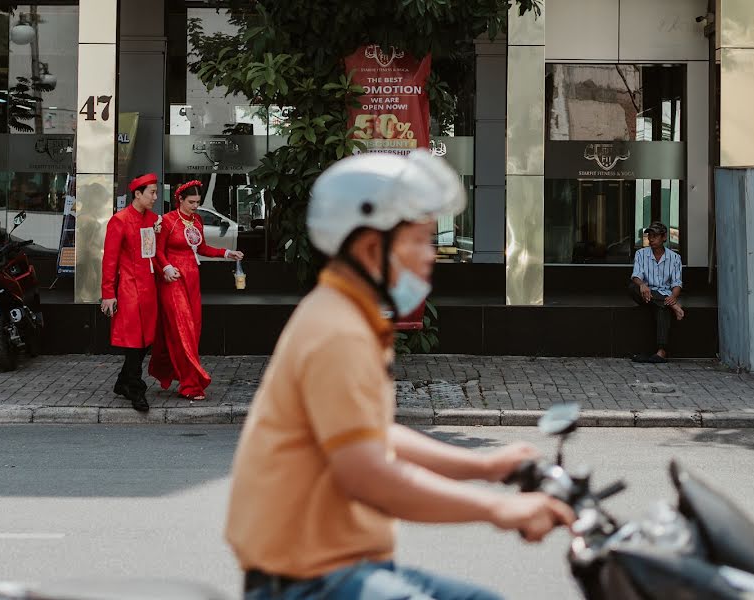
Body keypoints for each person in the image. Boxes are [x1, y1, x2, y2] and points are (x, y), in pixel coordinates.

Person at [225, 151, 575, 600]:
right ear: (373, 247)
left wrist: (486, 465)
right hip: (310, 581)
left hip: (342, 567)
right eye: (421, 239)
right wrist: (499, 510)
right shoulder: (338, 332)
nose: (432, 255)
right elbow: (368, 473)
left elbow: (373, 435)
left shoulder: (350, 315)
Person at [148, 180, 243, 401]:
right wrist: (167, 268)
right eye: (191, 202)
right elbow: (157, 252)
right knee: (184, 331)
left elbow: (202, 249)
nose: (195, 206)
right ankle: (190, 385)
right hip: (172, 281)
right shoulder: (168, 221)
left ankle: (184, 377)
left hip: (192, 280)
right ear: (179, 200)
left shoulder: (197, 221)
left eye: (198, 202)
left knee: (193, 331)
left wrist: (227, 253)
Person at [101, 173, 165, 412]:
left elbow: (153, 253)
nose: (155, 197)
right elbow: (110, 259)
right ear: (137, 194)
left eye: (156, 192)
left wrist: (166, 268)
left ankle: (123, 382)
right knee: (135, 342)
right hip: (129, 289)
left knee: (145, 340)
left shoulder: (152, 219)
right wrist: (108, 292)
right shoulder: (120, 220)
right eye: (152, 192)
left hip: (149, 287)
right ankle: (136, 388)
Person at [629, 221, 684, 364]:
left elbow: (677, 283)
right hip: (644, 294)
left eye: (655, 236)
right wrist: (642, 285)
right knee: (632, 287)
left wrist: (673, 297)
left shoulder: (674, 258)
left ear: (664, 237)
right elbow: (636, 276)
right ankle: (672, 306)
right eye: (649, 236)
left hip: (663, 296)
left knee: (663, 307)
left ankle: (661, 352)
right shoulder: (641, 254)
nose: (651, 239)